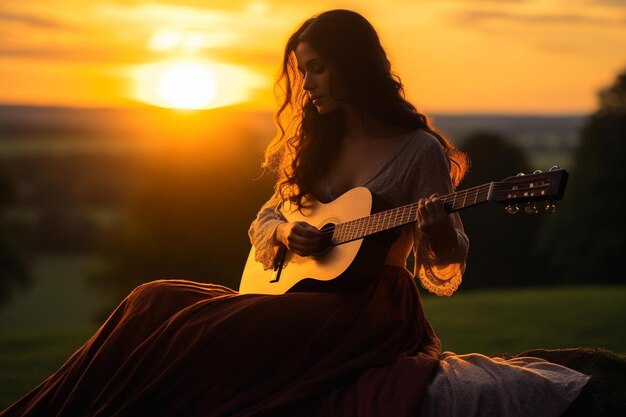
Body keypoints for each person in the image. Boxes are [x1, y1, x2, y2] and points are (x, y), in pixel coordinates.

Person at [1, 9, 588, 417]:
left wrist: (437, 233)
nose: (307, 84)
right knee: (150, 299)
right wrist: (286, 229)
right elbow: (262, 218)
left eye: (318, 68)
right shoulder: (321, 142)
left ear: (356, 66)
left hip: (365, 313)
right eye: (302, 70)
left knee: (196, 330)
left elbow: (447, 268)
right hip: (301, 297)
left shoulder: (419, 152)